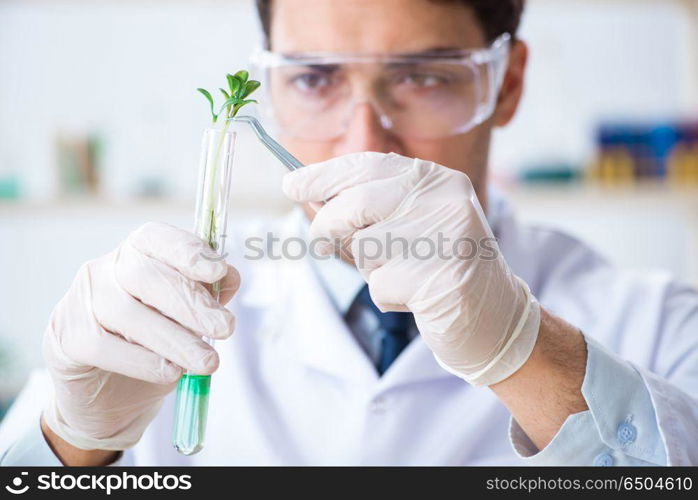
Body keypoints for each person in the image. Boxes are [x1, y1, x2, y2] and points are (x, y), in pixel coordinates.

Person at [1, 0, 697, 466]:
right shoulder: (151, 310)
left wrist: (524, 353)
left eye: (424, 77)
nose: (365, 140)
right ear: (267, 88)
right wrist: (75, 442)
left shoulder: (661, 323)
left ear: (506, 84)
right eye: (313, 79)